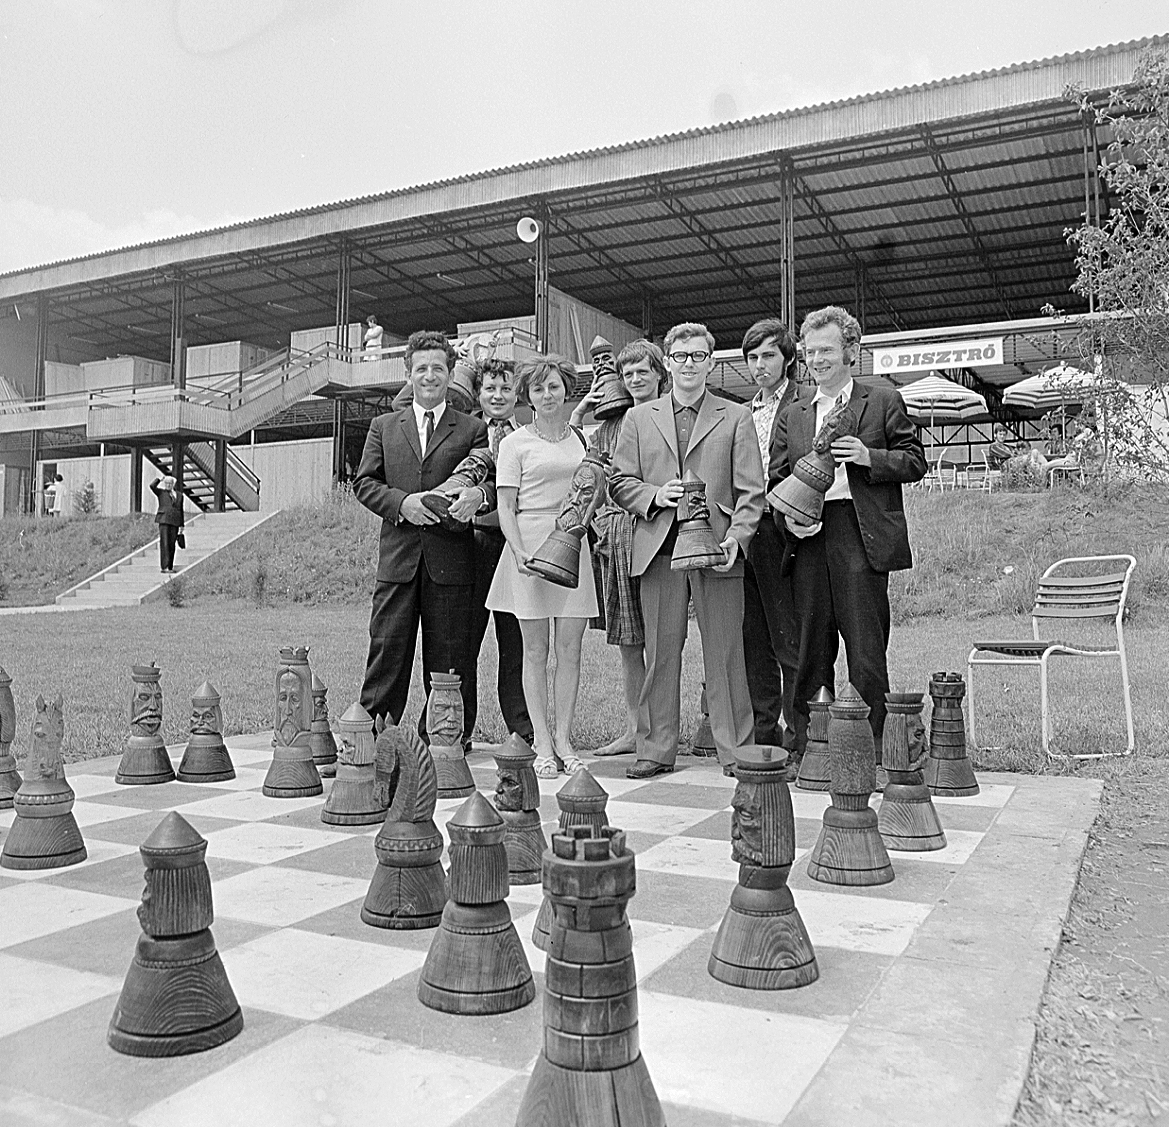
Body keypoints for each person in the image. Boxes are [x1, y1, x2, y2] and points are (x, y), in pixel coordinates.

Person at [769, 305, 927, 757]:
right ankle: (809, 748)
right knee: (810, 649)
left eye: (827, 350)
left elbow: (915, 460)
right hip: (808, 537)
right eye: (810, 351)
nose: (817, 359)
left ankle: (872, 748)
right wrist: (789, 521)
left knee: (865, 648)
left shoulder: (883, 400)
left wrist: (868, 457)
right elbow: (776, 478)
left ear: (851, 351)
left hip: (859, 532)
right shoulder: (793, 413)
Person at [610, 322, 764, 779]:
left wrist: (738, 537)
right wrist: (655, 495)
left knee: (726, 652)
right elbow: (620, 482)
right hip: (659, 547)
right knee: (660, 652)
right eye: (681, 356)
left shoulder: (735, 416)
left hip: (718, 547)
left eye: (698, 356)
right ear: (668, 362)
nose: (689, 364)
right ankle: (656, 749)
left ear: (710, 362)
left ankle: (735, 749)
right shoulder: (639, 419)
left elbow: (751, 491)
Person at [353, 330, 494, 738]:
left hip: (451, 564)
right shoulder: (382, 427)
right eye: (421, 369)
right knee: (386, 653)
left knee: (451, 658)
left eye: (437, 368)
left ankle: (447, 739)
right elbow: (365, 483)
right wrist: (403, 505)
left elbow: (489, 481)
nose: (429, 376)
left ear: (450, 374)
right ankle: (374, 738)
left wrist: (479, 495)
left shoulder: (472, 429)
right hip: (398, 563)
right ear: (408, 375)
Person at [486, 354, 598, 778]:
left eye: (553, 386)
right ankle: (544, 744)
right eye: (538, 388)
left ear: (567, 390)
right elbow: (506, 505)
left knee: (571, 650)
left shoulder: (581, 439)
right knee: (534, 651)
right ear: (527, 396)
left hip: (572, 545)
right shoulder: (514, 443)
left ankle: (565, 740)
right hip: (530, 546)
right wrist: (517, 551)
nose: (547, 395)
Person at [570, 339, 668, 757]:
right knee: (629, 642)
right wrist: (579, 414)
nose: (635, 379)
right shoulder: (610, 426)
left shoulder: (673, 416)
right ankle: (635, 729)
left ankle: (663, 731)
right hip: (618, 538)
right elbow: (585, 472)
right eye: (628, 374)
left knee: (665, 641)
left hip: (661, 534)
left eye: (643, 371)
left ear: (660, 374)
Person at [741, 318, 804, 755]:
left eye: (768, 355)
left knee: (789, 637)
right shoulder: (743, 411)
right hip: (746, 528)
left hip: (785, 528)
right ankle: (763, 735)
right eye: (752, 357)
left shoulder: (804, 402)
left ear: (787, 359)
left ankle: (800, 737)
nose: (759, 365)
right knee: (753, 637)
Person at [466, 358, 534, 746]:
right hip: (471, 545)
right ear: (477, 393)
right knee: (466, 641)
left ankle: (521, 728)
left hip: (513, 546)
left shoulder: (527, 435)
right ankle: (459, 728)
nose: (498, 396)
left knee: (516, 642)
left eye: (506, 388)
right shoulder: (464, 434)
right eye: (490, 388)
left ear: (516, 393)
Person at [148, 475, 185, 573]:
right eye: (166, 483)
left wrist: (181, 524)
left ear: (173, 484)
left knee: (172, 544)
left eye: (170, 483)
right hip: (164, 520)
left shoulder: (179, 495)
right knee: (165, 543)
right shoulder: (161, 492)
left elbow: (181, 510)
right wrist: (159, 479)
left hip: (175, 521)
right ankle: (164, 566)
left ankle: (170, 566)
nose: (168, 485)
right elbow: (152, 486)